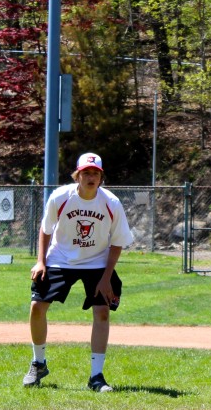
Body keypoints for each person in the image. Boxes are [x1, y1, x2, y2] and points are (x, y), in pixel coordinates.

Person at [24, 152, 134, 390]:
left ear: (101, 177)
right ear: (77, 175)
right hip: (60, 259)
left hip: (97, 261)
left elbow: (117, 242)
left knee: (102, 312)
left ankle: (96, 377)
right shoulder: (61, 197)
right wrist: (40, 261)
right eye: (86, 173)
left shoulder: (111, 203)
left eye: (95, 173)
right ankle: (38, 362)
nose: (90, 177)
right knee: (37, 307)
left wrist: (106, 279)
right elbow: (46, 230)